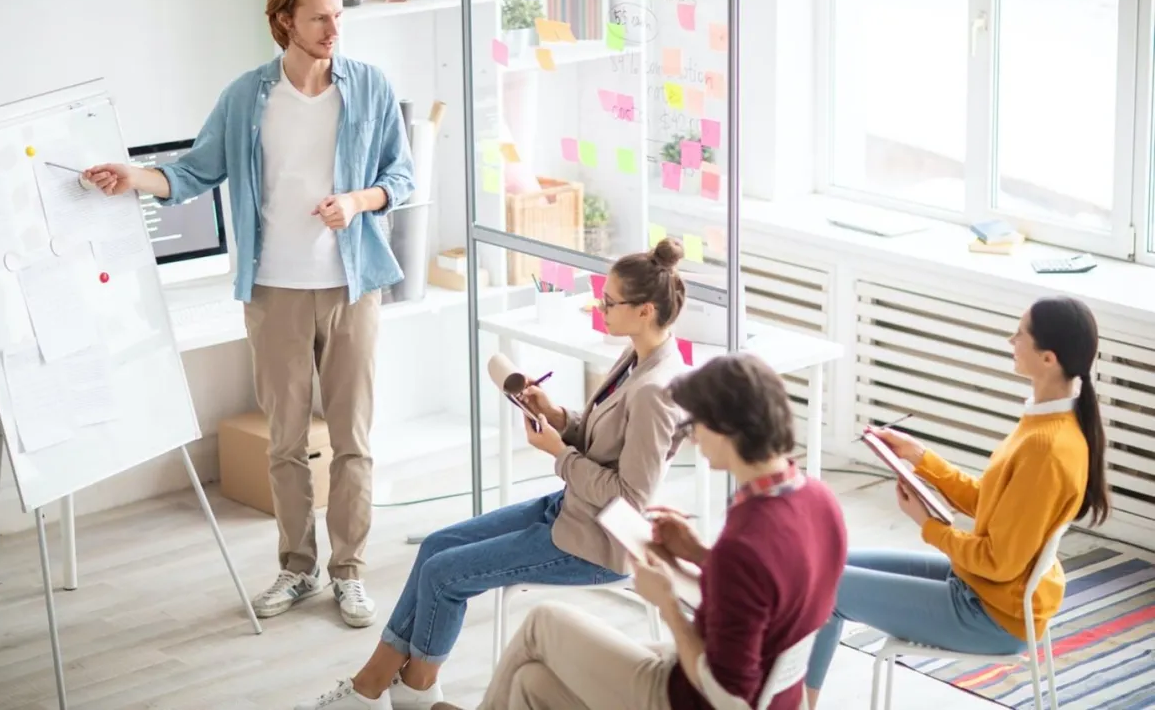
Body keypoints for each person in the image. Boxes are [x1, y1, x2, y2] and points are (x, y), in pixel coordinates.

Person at [82, 0, 414, 628]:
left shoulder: (370, 88)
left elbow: (400, 177)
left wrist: (357, 200)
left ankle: (349, 572)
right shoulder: (247, 98)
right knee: (285, 441)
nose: (332, 30)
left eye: (338, 16)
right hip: (274, 291)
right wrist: (132, 175)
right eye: (319, 17)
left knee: (352, 438)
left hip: (352, 286)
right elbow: (192, 171)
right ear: (284, 19)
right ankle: (297, 566)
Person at [295, 238, 691, 710]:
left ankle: (393, 689)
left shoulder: (655, 390)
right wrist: (559, 416)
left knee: (444, 575)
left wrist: (557, 455)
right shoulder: (635, 359)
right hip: (572, 511)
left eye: (609, 302)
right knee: (437, 546)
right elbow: (607, 444)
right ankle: (392, 687)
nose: (600, 307)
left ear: (645, 310)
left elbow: (632, 496)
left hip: (597, 544)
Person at [431, 352, 847, 710]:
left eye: (695, 425)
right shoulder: (817, 498)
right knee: (530, 686)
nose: (692, 438)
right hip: (775, 693)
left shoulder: (747, 539)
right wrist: (700, 554)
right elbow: (769, 591)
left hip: (694, 695)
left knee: (544, 620)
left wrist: (666, 602)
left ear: (726, 429)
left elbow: (728, 698)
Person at [804, 295, 1112, 708]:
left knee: (827, 585)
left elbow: (999, 561)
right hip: (981, 590)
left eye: (1020, 333)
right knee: (829, 563)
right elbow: (992, 501)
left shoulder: (1048, 448)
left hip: (990, 616)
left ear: (1048, 358)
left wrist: (929, 527)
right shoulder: (1049, 423)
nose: (1011, 340)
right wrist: (919, 458)